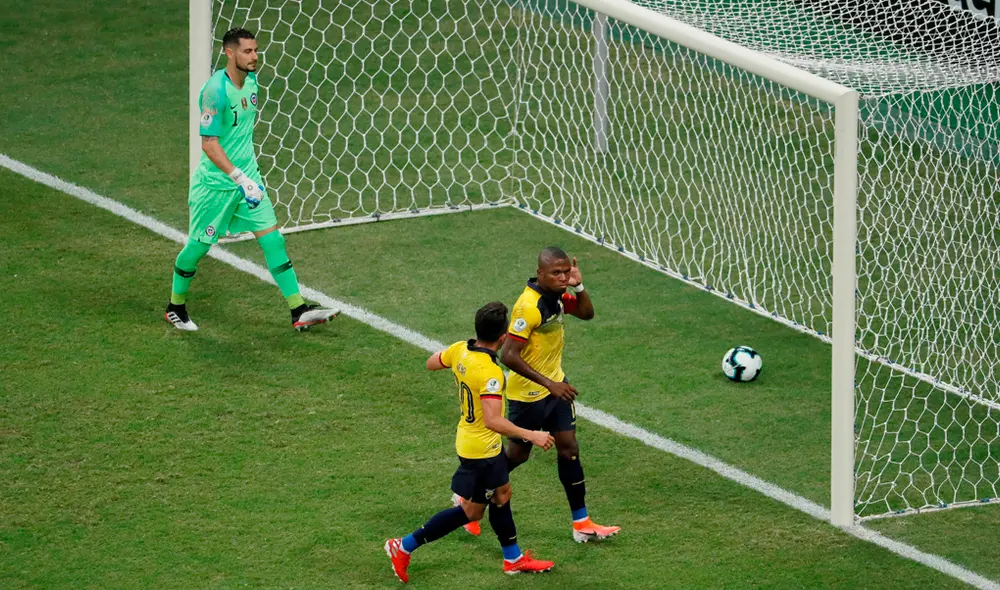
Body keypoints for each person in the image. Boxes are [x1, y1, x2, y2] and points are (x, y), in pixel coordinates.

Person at [164, 27, 337, 332]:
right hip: (216, 187)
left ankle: (297, 309)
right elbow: (209, 143)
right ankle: (175, 306)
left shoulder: (252, 81)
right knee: (198, 248)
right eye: (247, 51)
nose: (254, 57)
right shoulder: (215, 91)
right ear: (229, 53)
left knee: (273, 240)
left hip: (248, 181)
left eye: (256, 50)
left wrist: (247, 179)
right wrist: (239, 177)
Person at [385, 302, 556, 583]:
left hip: (472, 441)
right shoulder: (490, 374)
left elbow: (432, 362)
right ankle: (403, 546)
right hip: (482, 449)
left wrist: (459, 367)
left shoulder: (460, 349)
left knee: (499, 496)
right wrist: (531, 435)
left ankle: (512, 559)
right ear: (503, 338)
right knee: (471, 510)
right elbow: (492, 420)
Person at [501, 246, 620, 543]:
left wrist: (578, 286)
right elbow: (509, 355)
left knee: (569, 448)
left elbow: (587, 313)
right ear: (540, 273)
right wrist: (549, 384)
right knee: (518, 455)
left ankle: (581, 523)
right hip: (528, 395)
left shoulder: (556, 297)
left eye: (566, 271)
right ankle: (468, 492)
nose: (562, 277)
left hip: (556, 389)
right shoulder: (528, 307)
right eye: (556, 273)